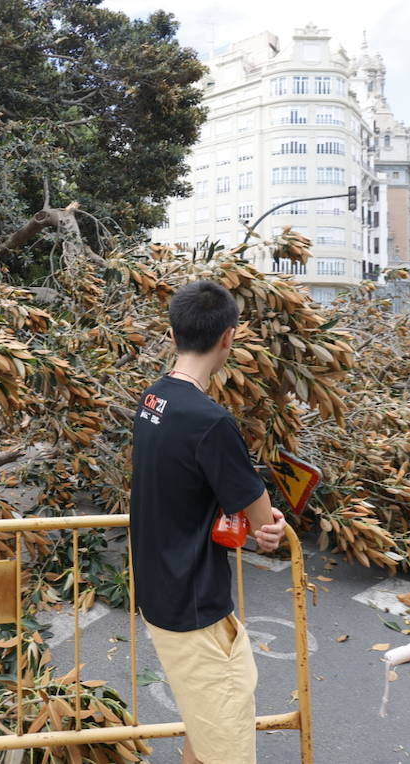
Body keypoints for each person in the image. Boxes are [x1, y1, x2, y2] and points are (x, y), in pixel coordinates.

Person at [130, 279, 287, 764]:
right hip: (192, 601)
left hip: (160, 589)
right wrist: (273, 527)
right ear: (229, 338)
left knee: (206, 722)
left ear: (173, 334)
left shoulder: (153, 400)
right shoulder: (209, 421)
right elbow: (264, 525)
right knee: (228, 737)